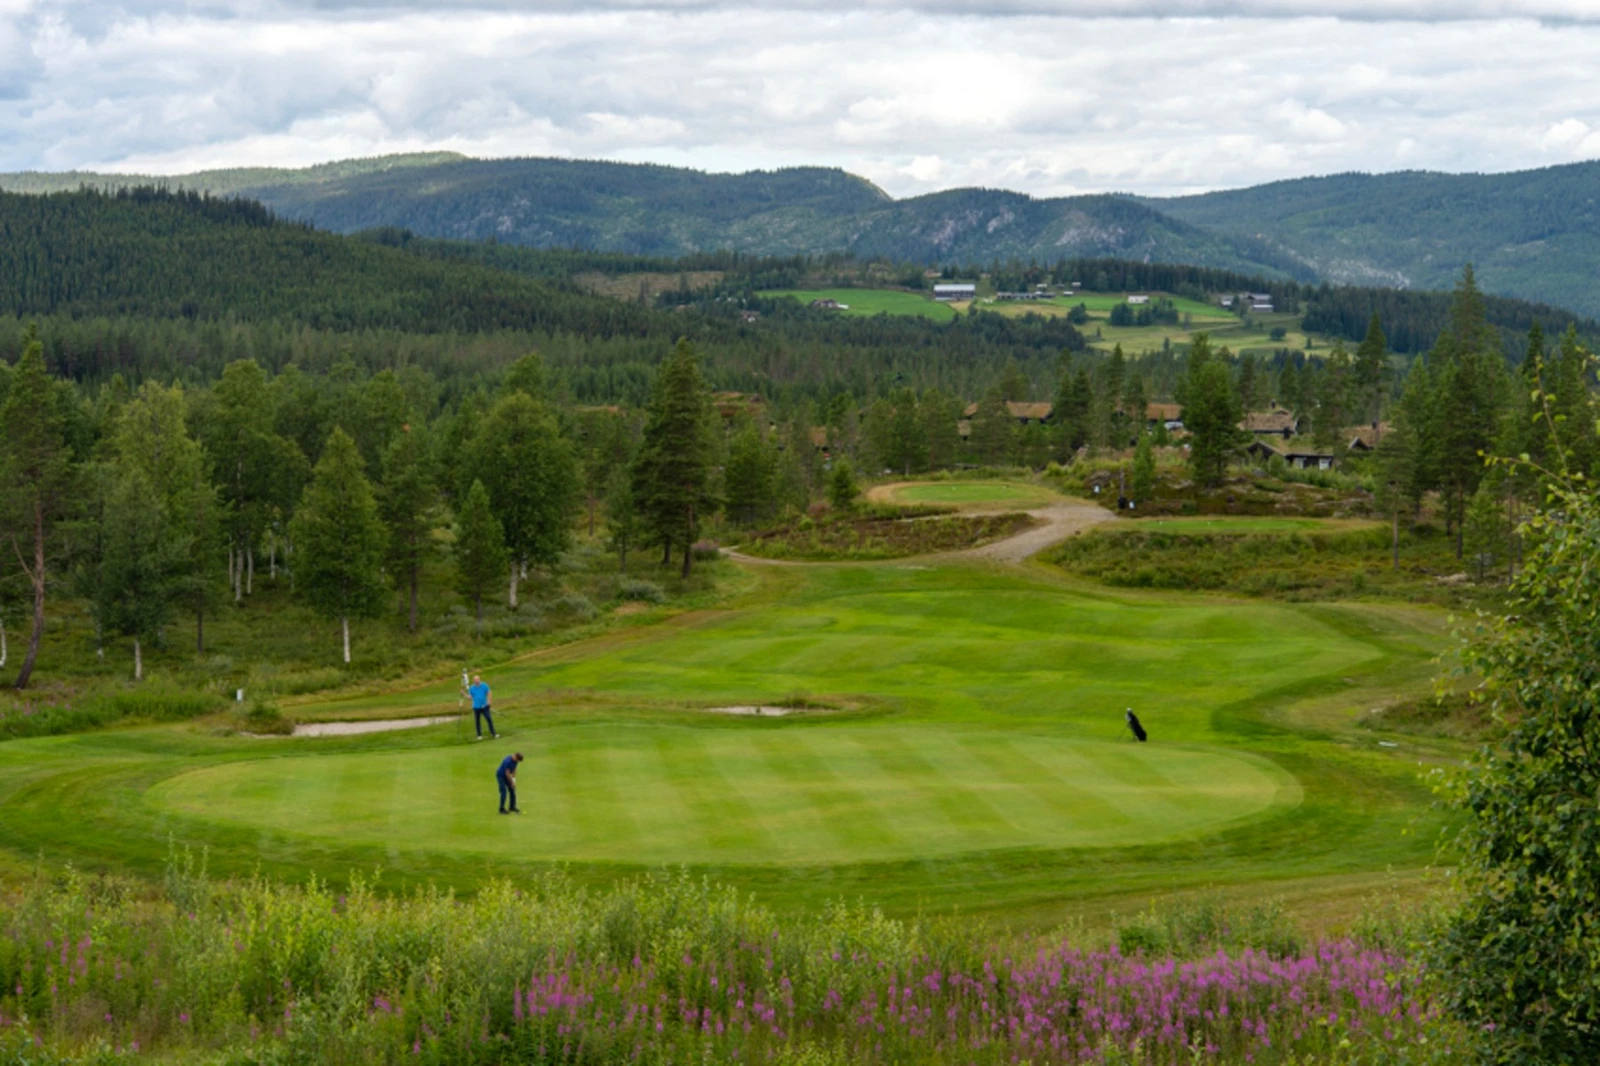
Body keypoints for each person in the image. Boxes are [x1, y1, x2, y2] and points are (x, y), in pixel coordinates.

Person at [468, 673, 497, 740]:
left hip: (484, 706)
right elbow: (470, 697)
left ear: (479, 679)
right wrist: (464, 694)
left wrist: (489, 702)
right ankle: (479, 735)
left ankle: (493, 733)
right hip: (476, 707)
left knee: (489, 719)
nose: (476, 681)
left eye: (477, 679)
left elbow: (489, 693)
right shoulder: (472, 688)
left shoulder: (484, 685)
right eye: (475, 680)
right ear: (473, 681)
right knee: (477, 721)